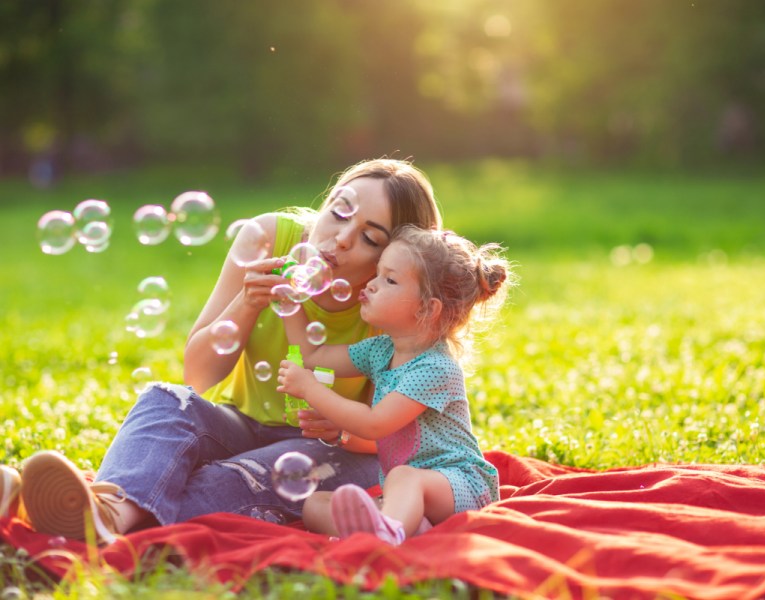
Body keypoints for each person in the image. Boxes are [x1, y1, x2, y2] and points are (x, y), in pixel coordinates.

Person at [2, 158, 442, 544]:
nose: (342, 238)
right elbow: (198, 373)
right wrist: (247, 303)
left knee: (239, 477)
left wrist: (343, 428)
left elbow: (403, 438)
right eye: (339, 211)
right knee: (166, 399)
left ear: (399, 256)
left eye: (370, 237)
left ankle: (52, 509)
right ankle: (106, 513)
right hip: (240, 423)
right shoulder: (271, 238)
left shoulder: (395, 301)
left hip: (333, 453)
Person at [276, 225, 512, 545]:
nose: (371, 285)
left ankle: (385, 536)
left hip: (462, 486)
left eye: (389, 280)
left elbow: (375, 424)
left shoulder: (436, 367)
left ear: (427, 308)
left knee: (403, 477)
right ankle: (407, 527)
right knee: (315, 505)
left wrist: (311, 390)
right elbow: (312, 353)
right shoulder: (381, 349)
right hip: (405, 493)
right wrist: (289, 299)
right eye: (377, 273)